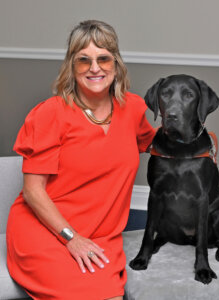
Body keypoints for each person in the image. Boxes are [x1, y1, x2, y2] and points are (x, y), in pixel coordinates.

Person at [6, 20, 156, 300]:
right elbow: (33, 191)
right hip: (46, 230)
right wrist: (71, 238)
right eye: (83, 60)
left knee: (108, 294)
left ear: (116, 64)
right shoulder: (50, 113)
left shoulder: (133, 108)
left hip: (100, 234)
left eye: (103, 59)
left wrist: (204, 141)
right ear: (71, 67)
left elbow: (160, 145)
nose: (95, 68)